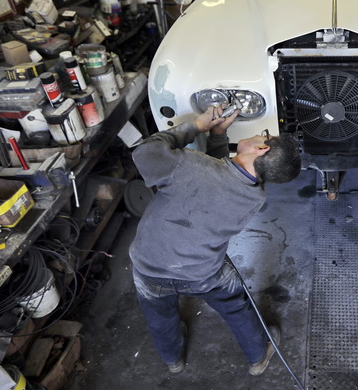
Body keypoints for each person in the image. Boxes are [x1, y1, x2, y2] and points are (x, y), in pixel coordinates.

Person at [128, 105, 301, 375]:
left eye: (264, 136)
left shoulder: (187, 164)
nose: (259, 135)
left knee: (159, 316)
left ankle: (173, 360)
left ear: (261, 149)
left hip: (150, 263)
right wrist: (219, 135)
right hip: (202, 273)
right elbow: (218, 175)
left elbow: (145, 152)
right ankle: (258, 356)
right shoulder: (254, 197)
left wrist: (197, 127)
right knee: (235, 305)